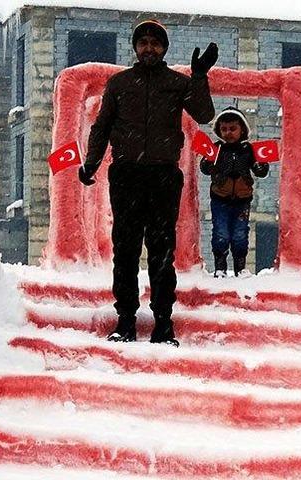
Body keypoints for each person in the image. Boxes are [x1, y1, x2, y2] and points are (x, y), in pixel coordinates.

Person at [78, 19, 217, 345]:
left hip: (163, 177)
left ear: (164, 48)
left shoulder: (176, 83)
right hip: (126, 175)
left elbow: (204, 114)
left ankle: (163, 324)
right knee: (125, 251)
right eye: (144, 43)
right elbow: (101, 127)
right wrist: (91, 161)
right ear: (136, 47)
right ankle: (125, 320)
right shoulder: (119, 84)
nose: (149, 48)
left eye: (156, 43)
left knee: (162, 252)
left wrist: (199, 77)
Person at [199, 107, 269, 277]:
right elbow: (205, 168)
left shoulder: (249, 150)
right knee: (220, 234)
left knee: (240, 235)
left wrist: (261, 166)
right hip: (219, 199)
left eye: (232, 129)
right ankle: (220, 268)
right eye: (224, 129)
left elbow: (261, 171)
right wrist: (209, 163)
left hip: (242, 201)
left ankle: (240, 268)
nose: (228, 133)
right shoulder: (216, 149)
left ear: (242, 129)